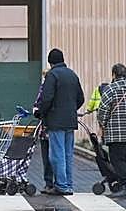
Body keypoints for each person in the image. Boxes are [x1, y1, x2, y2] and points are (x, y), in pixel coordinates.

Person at [34, 48, 85, 196]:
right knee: (68, 154)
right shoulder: (72, 75)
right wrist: (70, 109)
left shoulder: (52, 75)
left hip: (55, 122)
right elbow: (80, 98)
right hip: (70, 121)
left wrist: (40, 112)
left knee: (57, 155)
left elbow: (47, 98)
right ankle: (68, 184)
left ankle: (61, 185)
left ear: (51, 62)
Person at [97, 64, 126, 184]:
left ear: (114, 75)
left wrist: (102, 125)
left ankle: (123, 185)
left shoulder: (111, 89)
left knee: (117, 159)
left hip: (116, 134)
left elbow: (103, 110)